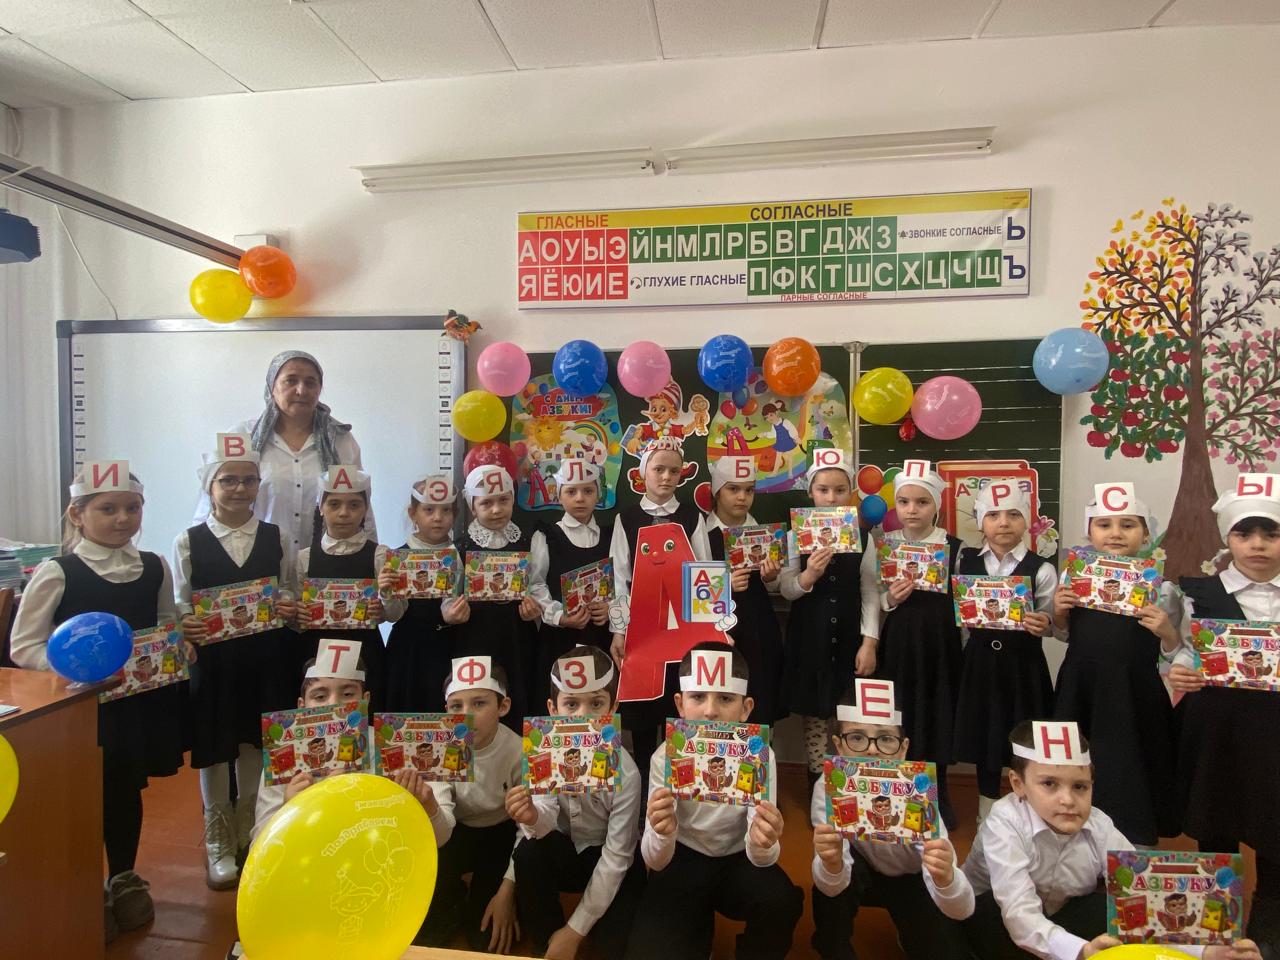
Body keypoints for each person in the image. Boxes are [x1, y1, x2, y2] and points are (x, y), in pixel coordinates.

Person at [11, 461, 191, 942]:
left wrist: (177, 646)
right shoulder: (58, 572)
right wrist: (76, 670)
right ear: (77, 514)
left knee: (125, 790)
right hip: (78, 711)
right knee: (83, 797)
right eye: (107, 509)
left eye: (132, 508)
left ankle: (124, 876)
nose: (122, 519)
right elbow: (24, 646)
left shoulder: (153, 566)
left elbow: (164, 622)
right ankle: (82, 884)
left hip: (135, 705)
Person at [962, 720, 1263, 960]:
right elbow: (1018, 913)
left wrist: (1206, 952)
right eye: (1049, 784)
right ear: (1018, 784)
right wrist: (1081, 951)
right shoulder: (1004, 821)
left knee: (1114, 910)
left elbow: (1147, 896)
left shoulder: (1099, 825)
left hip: (1059, 915)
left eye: (1080, 787)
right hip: (992, 921)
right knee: (991, 915)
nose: (1068, 799)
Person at [624, 643, 803, 960]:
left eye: (725, 699)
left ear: (746, 708)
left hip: (739, 858)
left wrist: (764, 841)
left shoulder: (760, 756)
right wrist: (662, 831)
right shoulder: (664, 758)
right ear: (680, 704)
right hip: (681, 857)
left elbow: (763, 857)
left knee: (781, 901)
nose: (710, 711)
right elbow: (656, 860)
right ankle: (694, 933)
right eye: (698, 697)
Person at [173, 434, 297, 888]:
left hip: (265, 657)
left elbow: (288, 587)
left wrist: (286, 603)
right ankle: (218, 838)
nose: (240, 489)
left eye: (249, 480)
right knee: (214, 745)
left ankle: (250, 827)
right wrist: (185, 622)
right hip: (215, 660)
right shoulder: (188, 541)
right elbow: (178, 603)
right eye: (228, 480)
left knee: (253, 743)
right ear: (210, 486)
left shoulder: (276, 536)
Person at [1168, 472, 1280, 956]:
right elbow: (1182, 648)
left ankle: (1268, 935)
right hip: (1216, 731)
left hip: (1275, 736)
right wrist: (1179, 668)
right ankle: (1218, 935)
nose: (1257, 544)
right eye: (1244, 533)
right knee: (1216, 832)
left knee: (1276, 836)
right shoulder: (1196, 591)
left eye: (1271, 533)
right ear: (1227, 538)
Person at [1051, 481, 1182, 846]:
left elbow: (1176, 650)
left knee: (1132, 763)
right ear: (1089, 532)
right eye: (1104, 524)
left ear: (1145, 533)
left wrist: (1167, 632)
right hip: (1082, 688)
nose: (1116, 533)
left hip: (1134, 690)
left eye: (1128, 525)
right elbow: (1063, 635)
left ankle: (1135, 838)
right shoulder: (1074, 578)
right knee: (1077, 762)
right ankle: (1073, 836)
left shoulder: (1162, 588)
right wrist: (1059, 613)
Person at [811, 677, 974, 960]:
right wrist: (832, 862)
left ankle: (912, 933)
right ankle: (832, 947)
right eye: (857, 738)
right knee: (829, 881)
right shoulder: (829, 786)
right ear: (839, 746)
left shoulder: (919, 789)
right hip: (856, 873)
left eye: (885, 739)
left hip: (912, 878)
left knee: (949, 951)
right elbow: (829, 883)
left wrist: (947, 878)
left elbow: (962, 908)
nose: (872, 749)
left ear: (903, 749)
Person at [505, 646, 644, 959]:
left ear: (614, 707)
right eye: (571, 704)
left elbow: (616, 857)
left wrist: (574, 931)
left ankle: (575, 935)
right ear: (553, 709)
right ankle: (545, 944)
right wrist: (531, 815)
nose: (583, 715)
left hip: (610, 855)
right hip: (565, 850)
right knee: (528, 853)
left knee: (614, 949)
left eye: (596, 703)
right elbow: (541, 824)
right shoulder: (541, 752)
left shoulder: (627, 771)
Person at [197, 350, 372, 562]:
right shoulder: (243, 436)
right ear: (272, 386)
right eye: (291, 381)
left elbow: (359, 504)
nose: (301, 390)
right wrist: (200, 553)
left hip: (326, 565)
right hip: (256, 564)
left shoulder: (341, 440)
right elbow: (212, 501)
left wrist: (371, 557)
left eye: (310, 383)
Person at [608, 436, 713, 788]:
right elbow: (619, 577)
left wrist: (707, 629)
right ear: (643, 472)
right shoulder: (627, 518)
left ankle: (675, 782)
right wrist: (619, 630)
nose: (666, 477)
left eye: (674, 471)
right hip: (642, 627)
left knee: (676, 702)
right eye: (658, 469)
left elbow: (703, 573)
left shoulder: (691, 517)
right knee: (642, 709)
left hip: (681, 628)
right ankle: (641, 787)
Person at [951, 482, 1056, 825]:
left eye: (1013, 514)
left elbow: (1054, 622)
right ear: (981, 521)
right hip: (979, 664)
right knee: (985, 737)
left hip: (1023, 668)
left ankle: (1026, 813)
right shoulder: (964, 561)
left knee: (1025, 738)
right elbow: (959, 616)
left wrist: (1045, 623)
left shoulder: (1042, 568)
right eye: (993, 515)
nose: (1004, 522)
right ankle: (986, 813)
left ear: (1026, 521)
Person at [874, 459, 964, 827]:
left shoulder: (955, 548)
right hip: (898, 646)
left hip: (940, 648)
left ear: (936, 506)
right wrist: (890, 598)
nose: (912, 510)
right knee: (899, 715)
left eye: (922, 502)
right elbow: (874, 597)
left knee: (938, 713)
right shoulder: (885, 545)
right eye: (905, 501)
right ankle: (900, 790)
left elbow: (965, 604)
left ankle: (938, 792)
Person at [780, 449, 879, 783]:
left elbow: (870, 592)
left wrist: (869, 643)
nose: (831, 497)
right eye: (823, 490)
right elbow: (786, 589)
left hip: (849, 638)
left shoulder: (864, 538)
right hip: (811, 637)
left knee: (848, 712)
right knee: (815, 714)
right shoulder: (795, 535)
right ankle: (816, 783)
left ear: (851, 493)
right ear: (811, 492)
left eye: (840, 490)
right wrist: (808, 575)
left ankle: (847, 783)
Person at [417, 655, 524, 954]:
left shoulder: (518, 750)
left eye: (479, 704)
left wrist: (507, 891)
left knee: (487, 941)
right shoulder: (440, 749)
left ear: (503, 707)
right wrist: (429, 804)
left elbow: (527, 830)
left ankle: (486, 894)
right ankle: (454, 894)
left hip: (502, 834)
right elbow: (442, 834)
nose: (466, 715)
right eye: (456, 706)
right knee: (427, 933)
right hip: (455, 830)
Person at [293, 464, 399, 709]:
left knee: (366, 717)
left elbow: (395, 614)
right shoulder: (304, 557)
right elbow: (295, 617)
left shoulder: (381, 554)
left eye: (354, 505)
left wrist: (383, 605)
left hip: (366, 652)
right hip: (315, 653)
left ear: (365, 509)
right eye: (334, 504)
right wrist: (297, 615)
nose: (344, 513)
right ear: (321, 507)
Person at [454, 464, 542, 729]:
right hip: (475, 640)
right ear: (472, 506)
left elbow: (537, 586)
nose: (496, 509)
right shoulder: (460, 548)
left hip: (518, 639)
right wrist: (452, 612)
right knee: (480, 703)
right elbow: (450, 597)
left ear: (513, 500)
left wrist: (535, 609)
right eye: (486, 503)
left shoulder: (529, 541)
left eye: (504, 500)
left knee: (519, 699)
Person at [704, 455, 785, 725]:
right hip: (716, 630)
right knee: (717, 702)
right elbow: (689, 588)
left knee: (759, 701)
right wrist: (724, 586)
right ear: (717, 491)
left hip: (758, 628)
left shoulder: (765, 534)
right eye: (733, 489)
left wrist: (771, 577)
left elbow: (775, 585)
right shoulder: (699, 534)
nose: (742, 497)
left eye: (749, 490)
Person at [383, 474, 469, 713]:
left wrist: (458, 612)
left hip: (451, 649)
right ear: (413, 514)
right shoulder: (397, 557)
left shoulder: (463, 555)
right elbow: (392, 615)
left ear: (455, 514)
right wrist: (387, 592)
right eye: (428, 510)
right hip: (410, 652)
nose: (438, 518)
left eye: (446, 510)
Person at [528, 459, 614, 686]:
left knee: (600, 693)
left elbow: (623, 580)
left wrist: (611, 608)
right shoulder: (546, 535)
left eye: (588, 491)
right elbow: (535, 583)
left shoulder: (612, 534)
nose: (580, 498)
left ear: (598, 494)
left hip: (601, 636)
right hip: (559, 638)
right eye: (571, 491)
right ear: (559, 495)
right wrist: (559, 616)